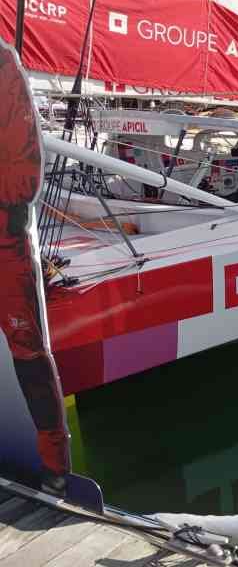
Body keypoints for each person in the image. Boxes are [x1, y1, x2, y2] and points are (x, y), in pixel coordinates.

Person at [0, 41, 70, 495]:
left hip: (5, 242)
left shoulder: (1, 65)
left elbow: (22, 162)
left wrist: (9, 213)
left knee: (28, 352)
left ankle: (56, 469)